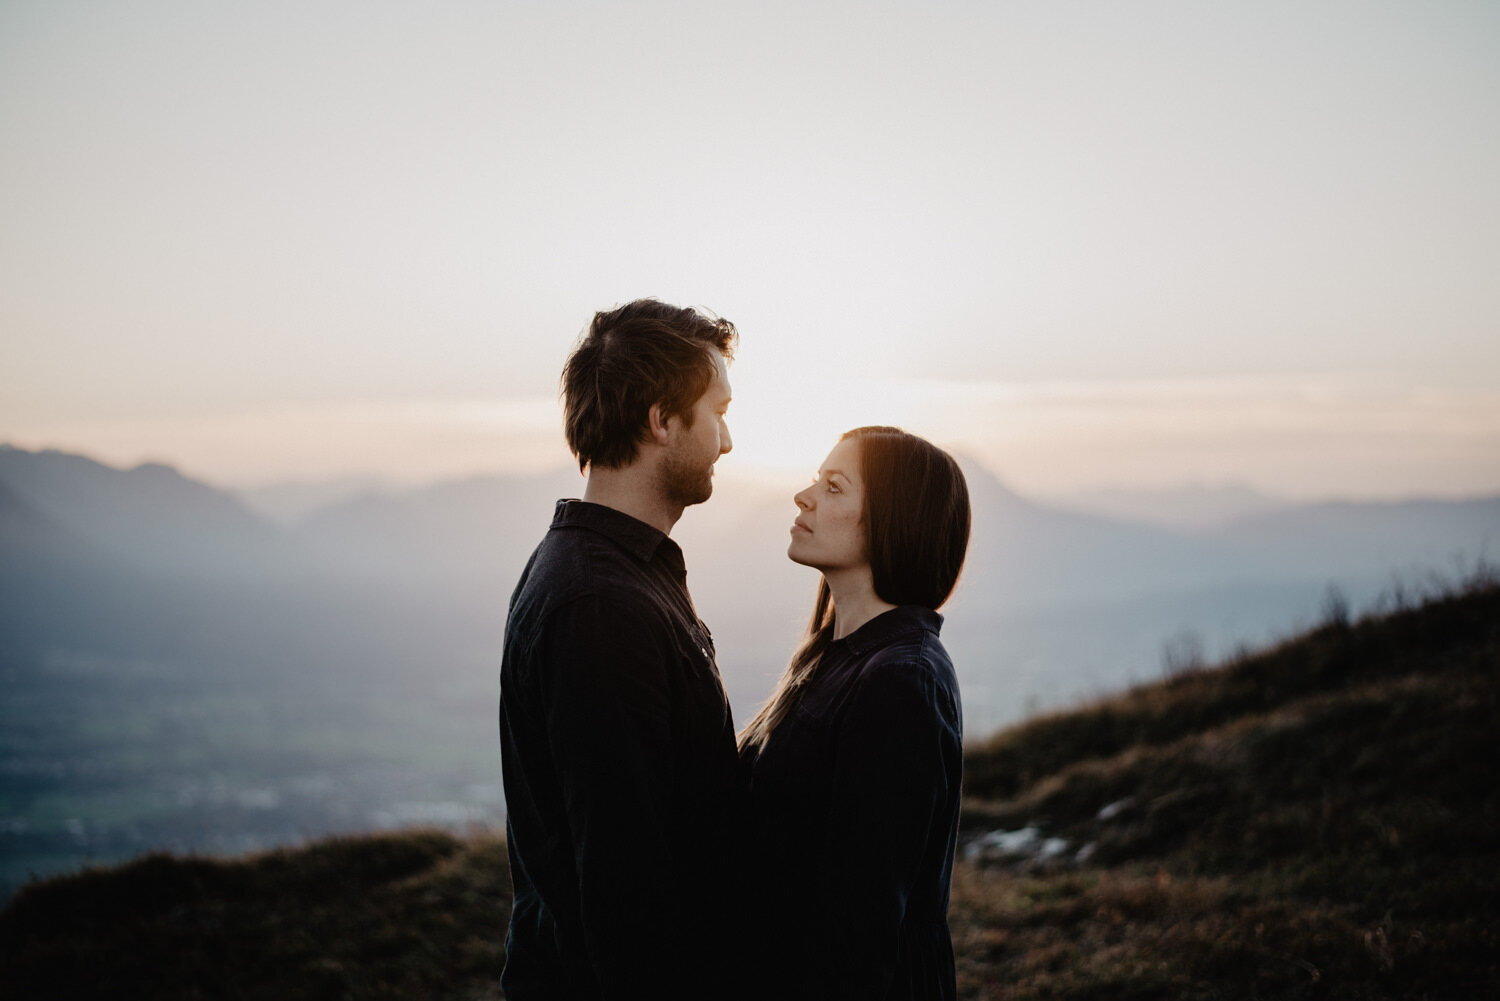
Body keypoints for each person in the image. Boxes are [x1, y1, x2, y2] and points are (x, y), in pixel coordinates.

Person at [498, 299, 742, 1000]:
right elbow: (623, 881)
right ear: (662, 420)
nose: (727, 440)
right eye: (716, 411)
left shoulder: (611, 573)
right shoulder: (601, 606)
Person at [738, 426, 971, 1001]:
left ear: (891, 520)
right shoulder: (838, 658)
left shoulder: (899, 681)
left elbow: (860, 925)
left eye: (834, 487)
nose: (804, 496)